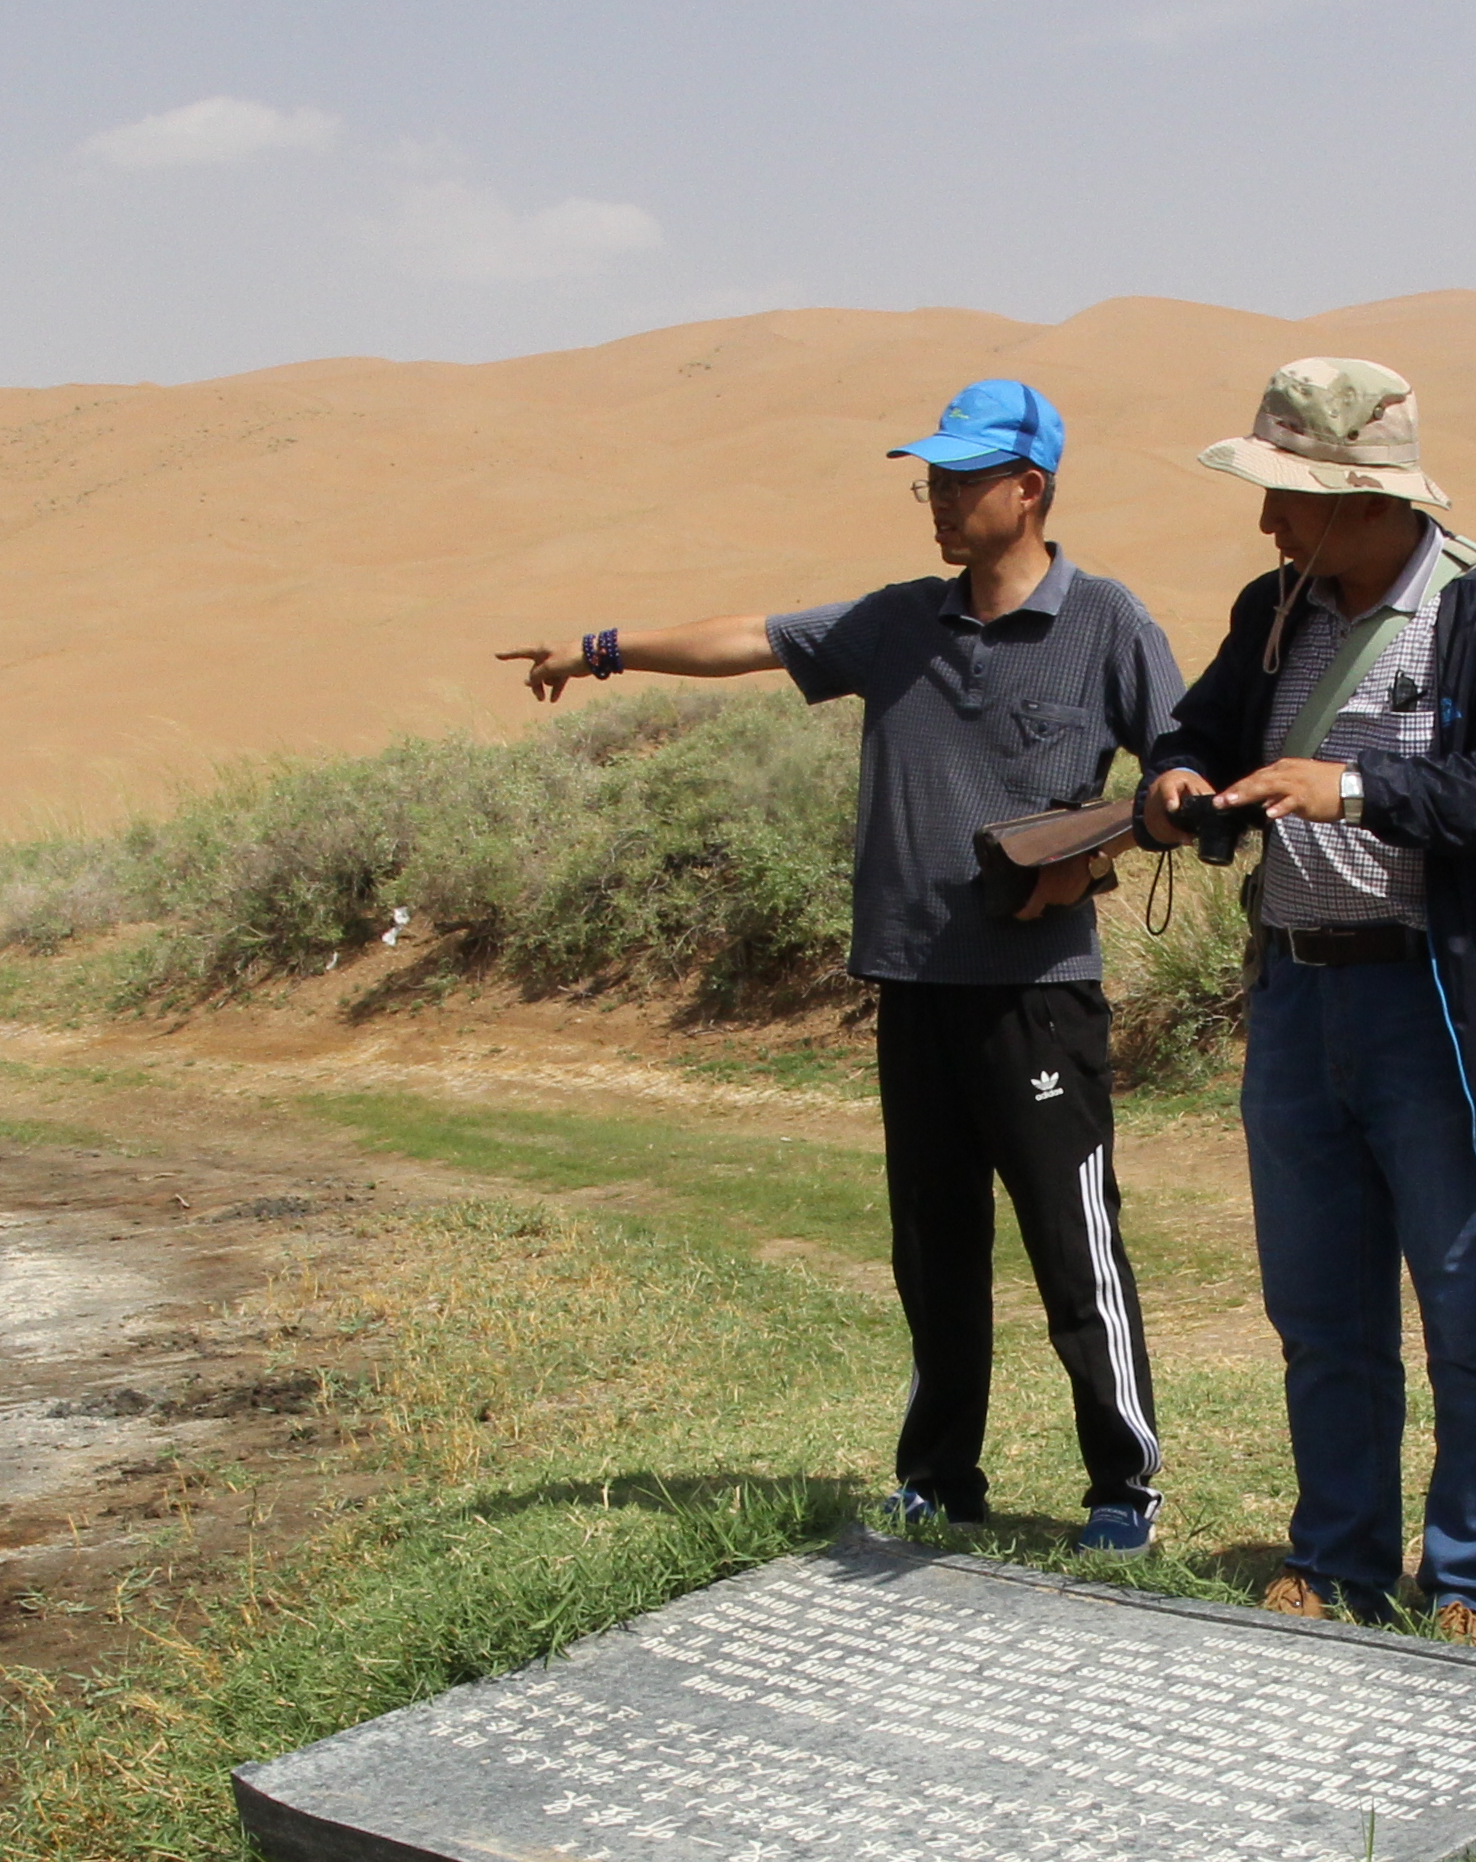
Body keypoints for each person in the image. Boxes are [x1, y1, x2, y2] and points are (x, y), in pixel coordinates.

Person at [500, 379, 1179, 1551]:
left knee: (1076, 1250)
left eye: (964, 479)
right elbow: (750, 640)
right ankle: (938, 1478)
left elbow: (1181, 778)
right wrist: (601, 650)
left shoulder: (1108, 624)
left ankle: (1124, 1490)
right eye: (934, 479)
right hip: (913, 988)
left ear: (1031, 488)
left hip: (1038, 998)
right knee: (933, 1252)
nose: (941, 499)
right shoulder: (896, 620)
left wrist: (1094, 852)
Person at [1137, 359, 1476, 1648]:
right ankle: (1336, 1557)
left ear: (1360, 497)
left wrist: (1360, 791)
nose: (1269, 521)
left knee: (1472, 1315)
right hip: (1297, 1001)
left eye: (1288, 495)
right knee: (1322, 1311)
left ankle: (1474, 1582)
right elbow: (1202, 729)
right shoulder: (1272, 606)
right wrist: (1175, 782)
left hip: (1435, 1009)